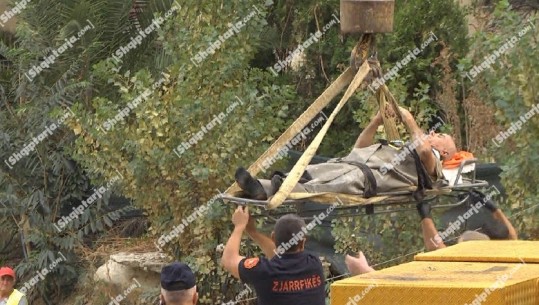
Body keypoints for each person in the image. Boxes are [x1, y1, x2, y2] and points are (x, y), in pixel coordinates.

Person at [235, 107, 457, 200]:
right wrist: (377, 120)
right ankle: (261, 187)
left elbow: (425, 151)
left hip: (365, 178)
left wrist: (408, 119)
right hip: (354, 162)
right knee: (307, 172)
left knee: (318, 186)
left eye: (442, 135)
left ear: (444, 151)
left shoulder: (433, 165)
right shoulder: (403, 144)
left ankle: (274, 191)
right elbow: (360, 148)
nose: (435, 132)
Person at [345, 193, 518, 275]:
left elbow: (436, 248)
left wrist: (367, 273)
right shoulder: (502, 267)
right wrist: (495, 209)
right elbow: (513, 239)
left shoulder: (461, 275)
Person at [221, 206, 325, 305]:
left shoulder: (264, 271)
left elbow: (228, 260)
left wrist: (239, 227)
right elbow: (278, 255)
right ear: (302, 243)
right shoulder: (314, 264)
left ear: (273, 237)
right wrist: (253, 232)